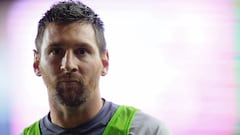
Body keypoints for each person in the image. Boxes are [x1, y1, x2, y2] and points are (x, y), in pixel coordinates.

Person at [22, 1, 170, 134]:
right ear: (36, 63)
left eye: (81, 51)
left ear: (104, 63)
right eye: (56, 51)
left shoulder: (146, 131)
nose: (68, 65)